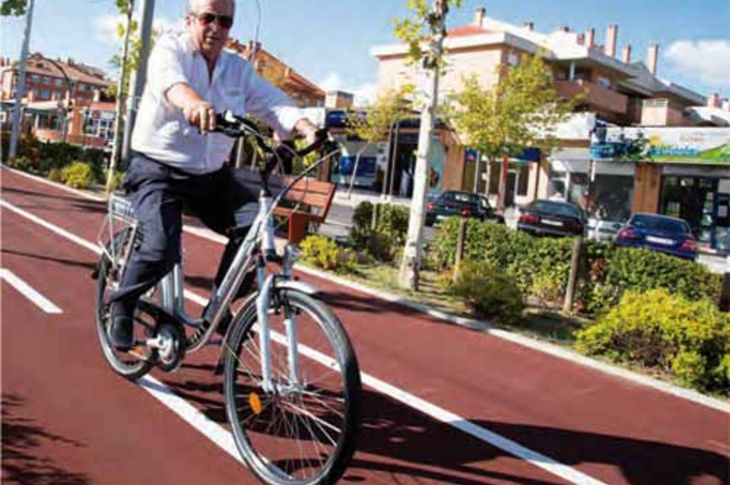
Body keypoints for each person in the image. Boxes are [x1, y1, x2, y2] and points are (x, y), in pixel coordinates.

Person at [108, 0, 320, 350]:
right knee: (162, 248)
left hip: (210, 177)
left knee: (257, 229)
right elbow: (170, 83)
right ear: (190, 19)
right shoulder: (170, 48)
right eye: (208, 18)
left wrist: (306, 125)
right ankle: (121, 304)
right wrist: (192, 103)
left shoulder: (238, 69)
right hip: (158, 170)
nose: (216, 28)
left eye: (225, 22)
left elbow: (272, 101)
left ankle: (219, 309)